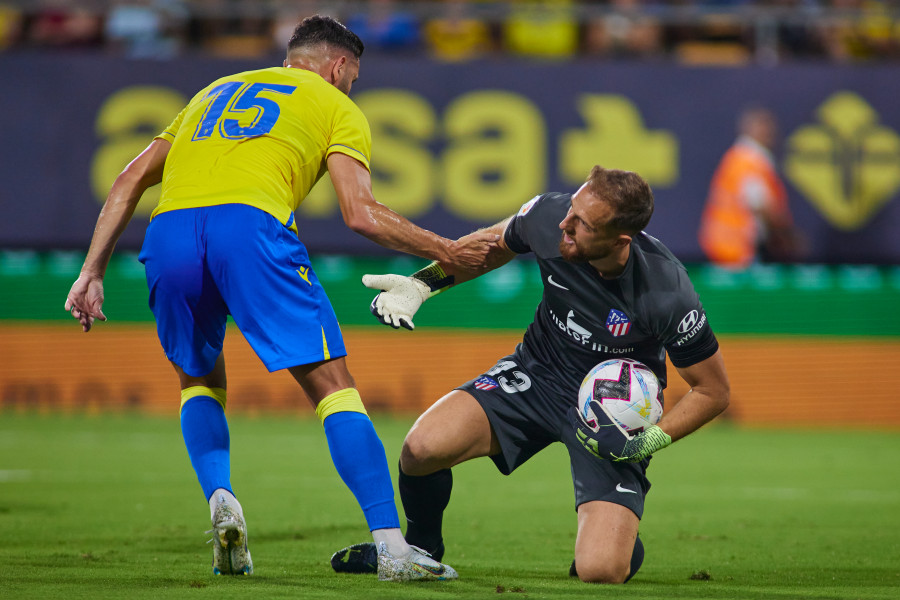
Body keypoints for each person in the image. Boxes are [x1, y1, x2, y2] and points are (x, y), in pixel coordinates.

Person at [65, 15, 498, 582]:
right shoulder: (336, 105)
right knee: (333, 389)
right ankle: (393, 547)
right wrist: (446, 251)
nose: (352, 88)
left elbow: (128, 180)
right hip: (248, 227)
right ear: (339, 66)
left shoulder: (213, 92)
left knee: (199, 381)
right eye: (354, 78)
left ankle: (221, 500)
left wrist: (91, 270)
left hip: (167, 231)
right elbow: (360, 214)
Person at [330, 166, 731, 583]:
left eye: (583, 224)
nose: (566, 224)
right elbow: (491, 247)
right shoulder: (550, 217)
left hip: (609, 411)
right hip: (536, 373)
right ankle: (421, 550)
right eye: (572, 209)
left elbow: (713, 392)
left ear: (619, 240)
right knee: (421, 449)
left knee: (601, 570)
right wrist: (422, 285)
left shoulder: (667, 293)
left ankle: (618, 539)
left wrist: (645, 441)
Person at [698, 107, 804, 269]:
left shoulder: (740, 158)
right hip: (737, 247)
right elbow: (760, 204)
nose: (771, 133)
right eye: (764, 127)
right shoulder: (748, 161)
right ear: (751, 130)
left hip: (727, 245)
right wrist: (787, 236)